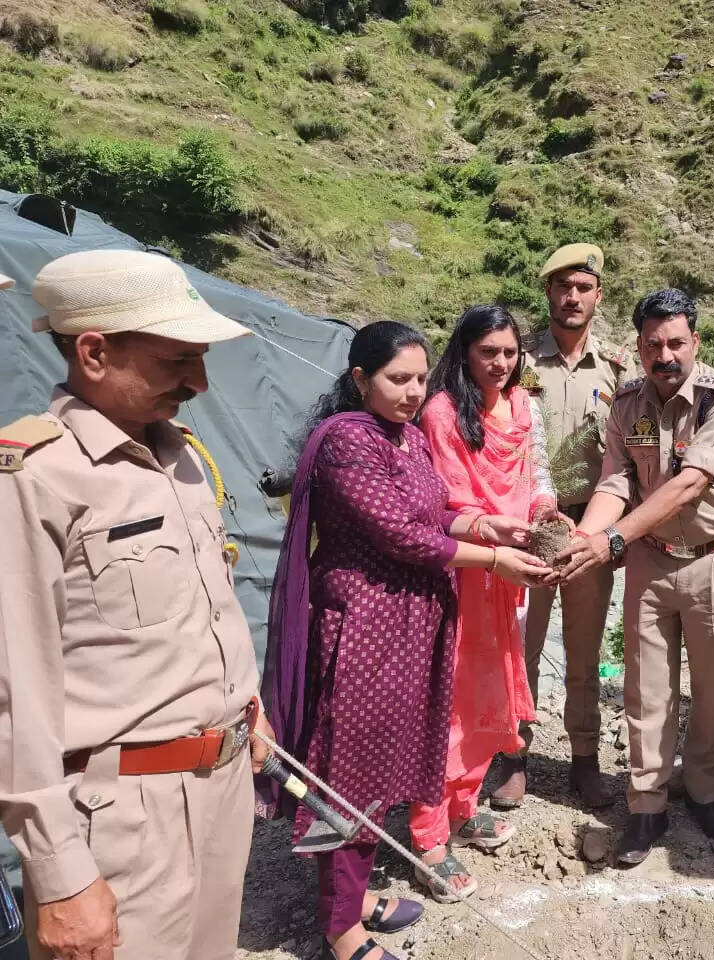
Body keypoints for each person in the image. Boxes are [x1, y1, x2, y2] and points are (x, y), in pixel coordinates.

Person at [0, 250, 277, 960]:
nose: (201, 382)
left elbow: (203, 604)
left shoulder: (180, 454)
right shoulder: (34, 478)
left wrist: (244, 699)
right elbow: (13, 696)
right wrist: (61, 876)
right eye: (178, 360)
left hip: (222, 788)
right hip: (120, 818)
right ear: (93, 352)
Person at [262, 320, 546, 959]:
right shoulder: (347, 443)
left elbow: (431, 512)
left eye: (421, 377)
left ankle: (351, 896)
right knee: (350, 774)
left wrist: (486, 524)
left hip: (408, 627)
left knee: (379, 767)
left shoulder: (406, 438)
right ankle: (341, 932)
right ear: (360, 378)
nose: (415, 391)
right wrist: (490, 559)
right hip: (364, 629)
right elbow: (402, 535)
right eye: (398, 378)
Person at [556, 288, 714, 865]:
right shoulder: (625, 404)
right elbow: (616, 482)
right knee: (646, 690)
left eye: (675, 343)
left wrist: (613, 540)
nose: (664, 356)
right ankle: (647, 805)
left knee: (712, 690)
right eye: (652, 345)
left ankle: (705, 791)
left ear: (696, 341)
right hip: (650, 561)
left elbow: (692, 482)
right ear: (638, 347)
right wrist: (584, 540)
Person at [413, 305, 559, 895]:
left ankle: (464, 807)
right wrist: (492, 533)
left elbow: (539, 476)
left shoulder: (526, 406)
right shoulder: (442, 413)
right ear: (464, 353)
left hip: (512, 574)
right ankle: (428, 834)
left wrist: (547, 512)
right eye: (487, 353)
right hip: (464, 574)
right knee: (451, 699)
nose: (500, 364)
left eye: (509, 352)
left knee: (494, 686)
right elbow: (440, 507)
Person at [493, 242, 634, 811]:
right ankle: (514, 755)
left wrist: (613, 534)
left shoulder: (621, 368)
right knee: (519, 649)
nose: (572, 297)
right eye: (563, 287)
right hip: (526, 525)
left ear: (598, 295)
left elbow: (628, 454)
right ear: (548, 292)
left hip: (586, 527)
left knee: (584, 648)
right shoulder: (517, 362)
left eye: (583, 287)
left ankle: (584, 760)